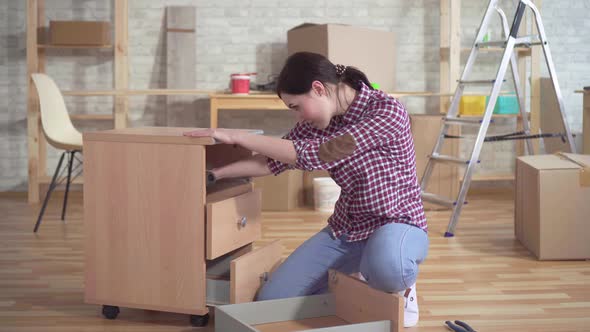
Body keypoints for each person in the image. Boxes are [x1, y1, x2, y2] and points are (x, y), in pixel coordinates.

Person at [183, 51, 429, 327]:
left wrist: (238, 136)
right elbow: (272, 161)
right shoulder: (317, 122)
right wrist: (214, 174)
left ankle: (400, 286)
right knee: (273, 300)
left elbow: (320, 154)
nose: (298, 117)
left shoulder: (386, 111)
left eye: (296, 106)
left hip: (397, 224)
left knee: (388, 266)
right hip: (347, 230)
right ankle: (363, 277)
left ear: (318, 88)